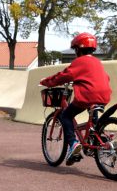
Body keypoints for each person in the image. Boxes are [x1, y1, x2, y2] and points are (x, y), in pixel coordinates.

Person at [40, 32, 112, 165]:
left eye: (75, 50)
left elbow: (64, 75)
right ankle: (97, 138)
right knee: (93, 116)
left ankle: (73, 144)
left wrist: (47, 82)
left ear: (78, 49)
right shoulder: (98, 62)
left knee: (65, 116)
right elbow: (106, 78)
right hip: (104, 94)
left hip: (87, 95)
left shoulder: (79, 61)